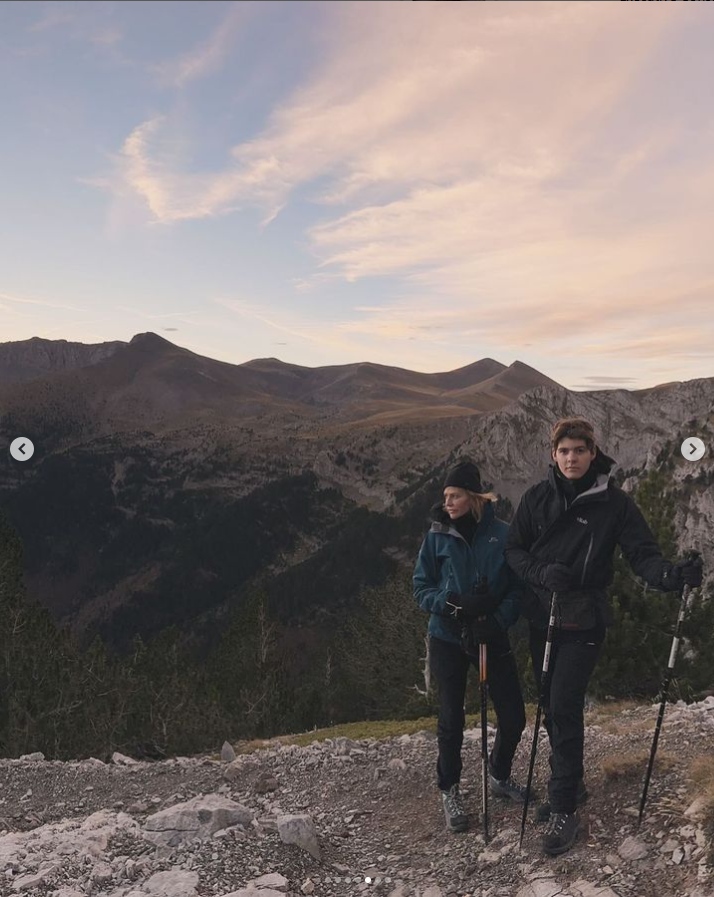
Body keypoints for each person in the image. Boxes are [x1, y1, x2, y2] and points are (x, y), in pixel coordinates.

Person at [505, 417, 704, 856]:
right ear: (553, 455)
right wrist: (540, 572)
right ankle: (570, 787)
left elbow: (642, 555)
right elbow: (513, 550)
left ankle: (563, 809)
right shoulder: (536, 498)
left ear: (593, 453)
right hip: (543, 614)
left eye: (579, 450)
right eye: (564, 451)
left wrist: (672, 576)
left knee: (563, 704)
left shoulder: (615, 504)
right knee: (551, 707)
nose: (571, 458)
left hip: (585, 618)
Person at [413, 460, 528, 833]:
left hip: (489, 635)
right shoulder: (436, 536)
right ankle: (450, 788)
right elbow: (420, 587)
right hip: (447, 636)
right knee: (451, 718)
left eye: (455, 495)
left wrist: (496, 620)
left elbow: (516, 589)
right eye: (445, 496)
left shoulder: (502, 534)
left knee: (513, 715)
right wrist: (452, 604)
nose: (447, 502)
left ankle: (498, 773)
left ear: (474, 496)